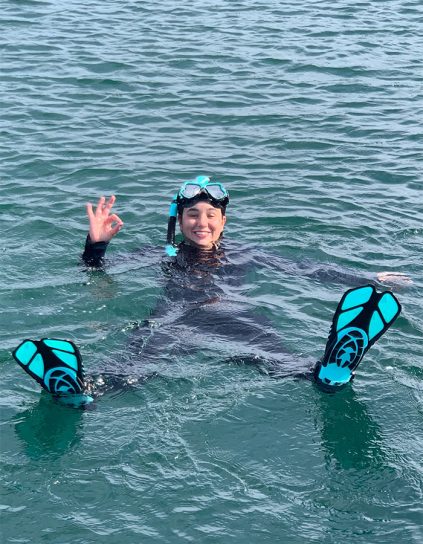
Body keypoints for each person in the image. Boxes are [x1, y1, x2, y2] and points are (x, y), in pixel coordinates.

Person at [12, 176, 406, 405]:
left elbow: (307, 268)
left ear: (223, 221)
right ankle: (75, 389)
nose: (201, 222)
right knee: (129, 370)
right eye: (192, 215)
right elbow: (99, 272)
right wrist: (95, 244)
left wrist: (369, 278)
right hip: (173, 319)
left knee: (279, 361)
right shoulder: (161, 253)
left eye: (210, 215)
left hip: (232, 316)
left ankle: (332, 368)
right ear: (179, 220)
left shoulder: (249, 252)